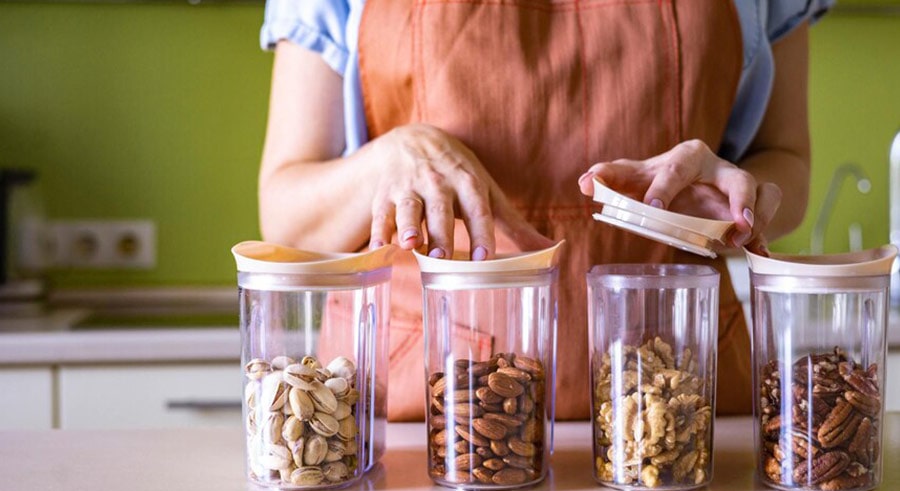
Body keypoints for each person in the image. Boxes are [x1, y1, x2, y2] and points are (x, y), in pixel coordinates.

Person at [255, 0, 834, 421]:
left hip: (682, 413)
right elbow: (284, 213)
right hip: (427, 420)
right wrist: (384, 162)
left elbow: (789, 170)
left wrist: (744, 197)